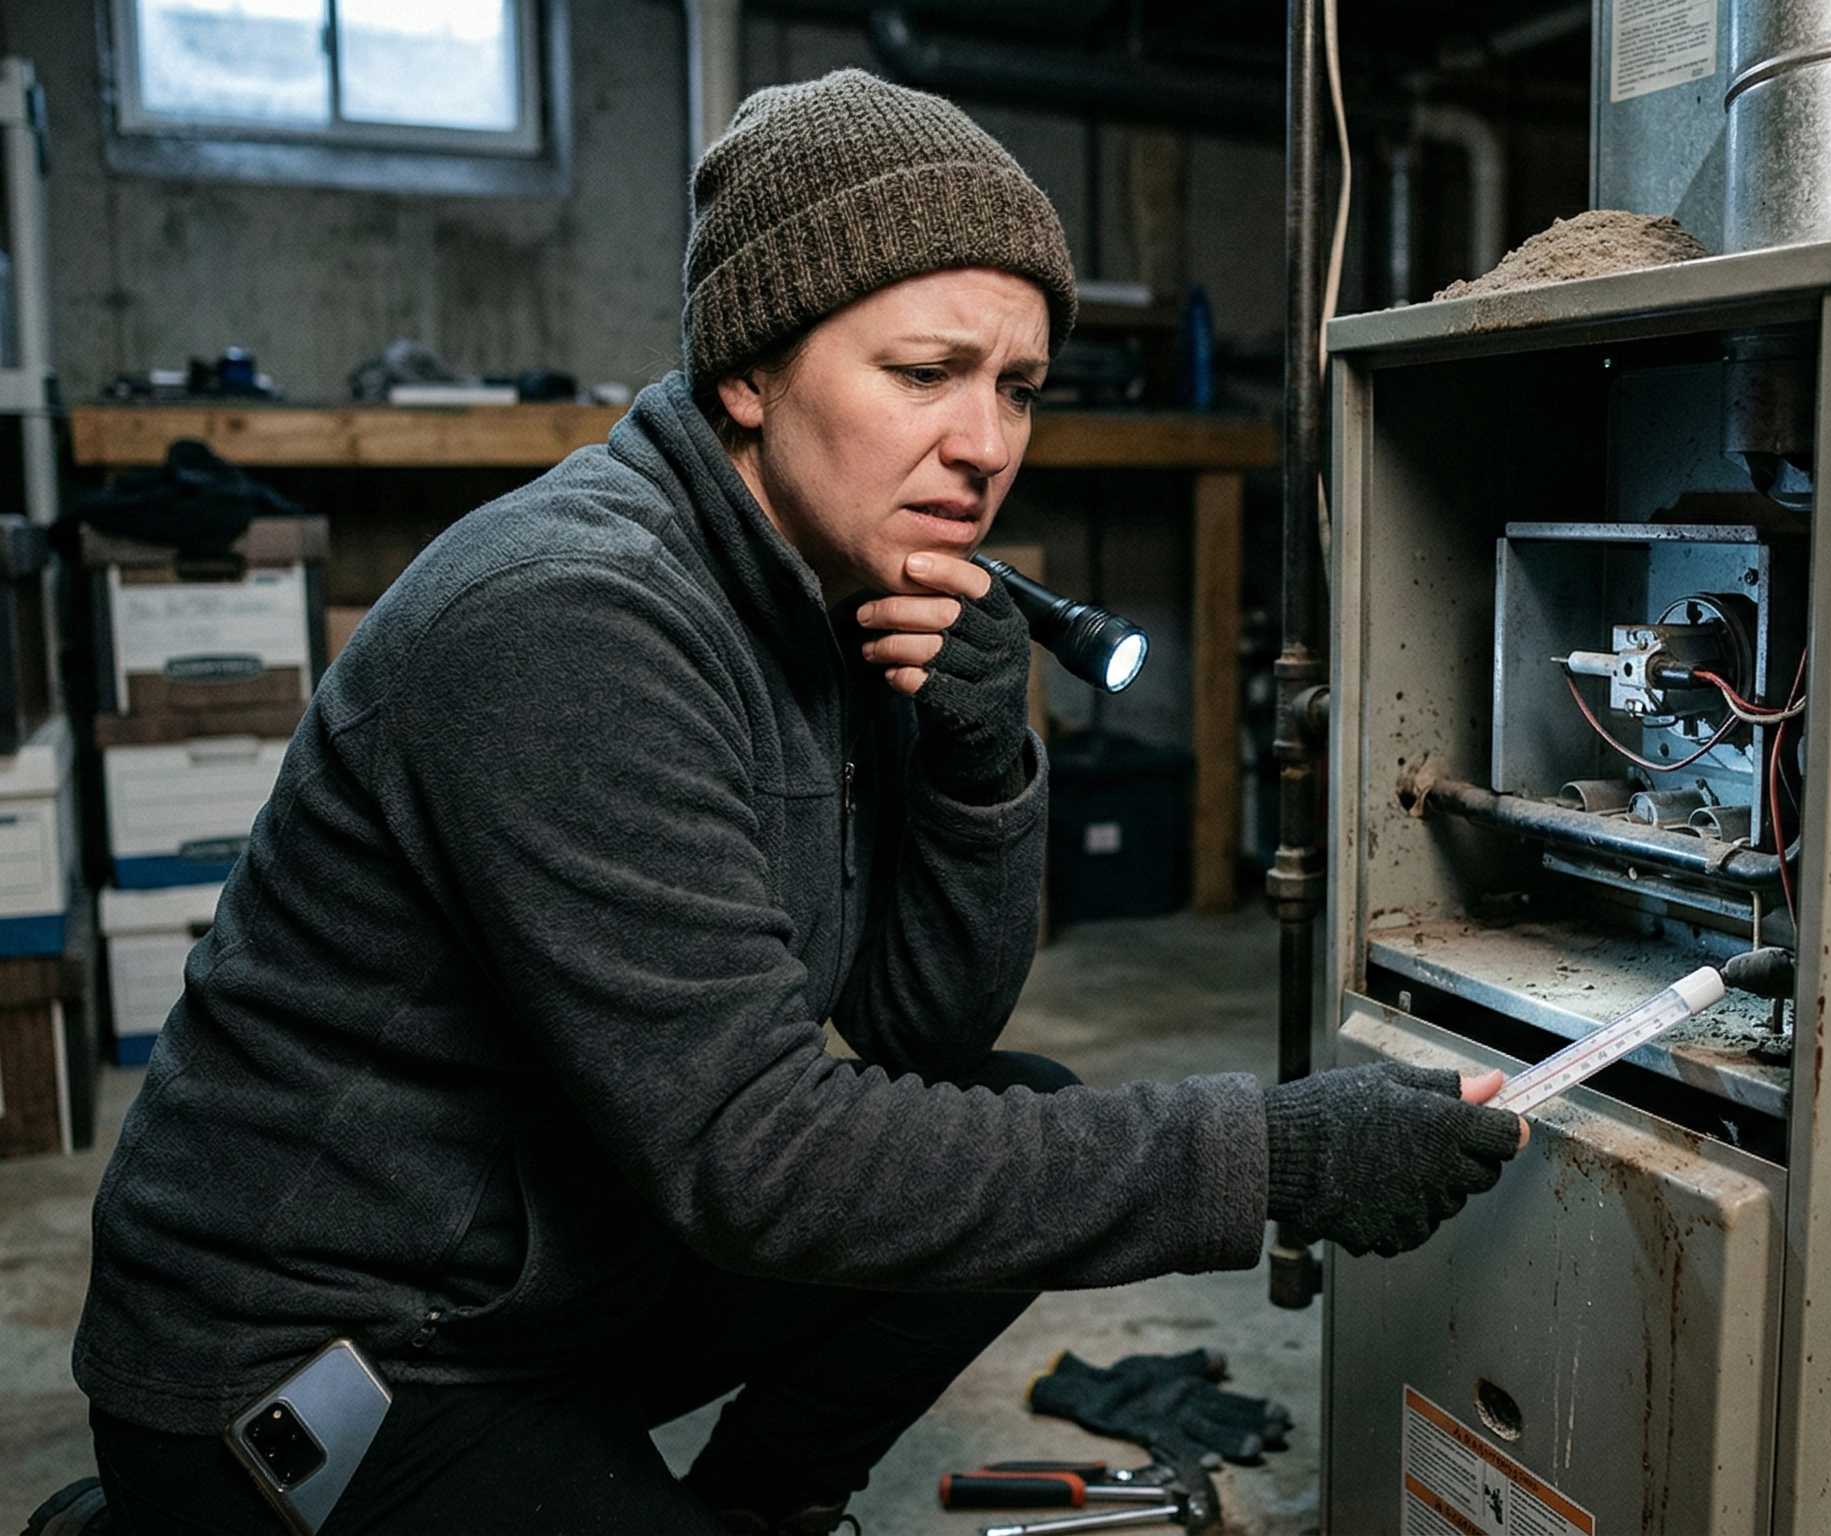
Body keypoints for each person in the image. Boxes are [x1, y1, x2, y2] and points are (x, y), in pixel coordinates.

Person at [71, 69, 1526, 1535]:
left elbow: (923, 1036)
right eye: (922, 373)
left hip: (552, 1276)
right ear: (747, 377)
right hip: (328, 1363)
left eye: (1015, 386)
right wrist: (1271, 1156)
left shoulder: (839, 586)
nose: (984, 444)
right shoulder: (568, 618)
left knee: (1011, 1116)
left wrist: (976, 765)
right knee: (909, 1169)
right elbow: (761, 1160)